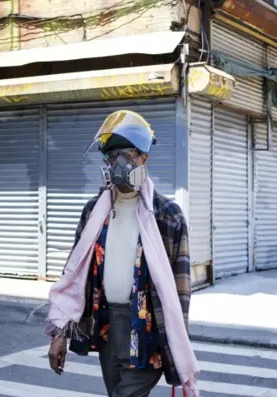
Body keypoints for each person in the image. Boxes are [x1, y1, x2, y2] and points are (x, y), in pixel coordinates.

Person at [44, 110, 200, 397]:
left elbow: (181, 293)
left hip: (148, 328)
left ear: (143, 158)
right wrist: (59, 335)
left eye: (126, 154)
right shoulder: (93, 212)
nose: (118, 163)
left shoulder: (168, 216)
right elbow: (72, 274)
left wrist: (176, 346)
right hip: (106, 327)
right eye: (112, 156)